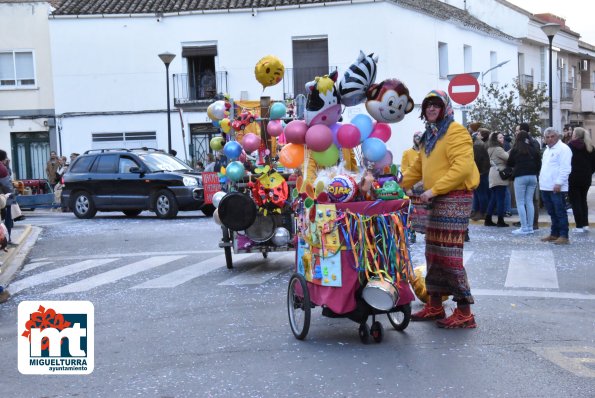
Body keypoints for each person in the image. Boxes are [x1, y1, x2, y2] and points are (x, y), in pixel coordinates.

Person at [401, 89, 479, 329]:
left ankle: (464, 312)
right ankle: (435, 304)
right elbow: (416, 170)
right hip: (436, 199)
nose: (431, 109)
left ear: (445, 108)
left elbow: (462, 169)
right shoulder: (429, 136)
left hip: (454, 198)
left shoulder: (456, 132)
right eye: (427, 106)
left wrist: (433, 191)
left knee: (449, 255)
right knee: (433, 253)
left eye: (436, 105)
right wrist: (394, 187)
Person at [539, 127, 573, 245]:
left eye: (552, 136)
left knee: (560, 211)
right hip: (546, 186)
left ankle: (564, 235)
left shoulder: (563, 149)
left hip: (556, 187)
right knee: (552, 212)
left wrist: (559, 183)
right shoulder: (547, 150)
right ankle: (554, 234)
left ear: (557, 136)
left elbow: (565, 168)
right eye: (547, 137)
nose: (550, 139)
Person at [507, 130, 541, 234]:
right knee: (529, 201)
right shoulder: (533, 149)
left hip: (520, 176)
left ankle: (524, 227)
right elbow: (539, 162)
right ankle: (530, 227)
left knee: (520, 203)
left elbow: (510, 162)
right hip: (533, 176)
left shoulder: (515, 149)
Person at [567, 127, 595, 233]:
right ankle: (585, 224)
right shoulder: (590, 147)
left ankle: (579, 225)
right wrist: (589, 172)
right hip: (586, 178)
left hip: (573, 177)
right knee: (583, 200)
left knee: (575, 202)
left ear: (576, 135)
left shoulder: (570, 146)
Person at [485, 132, 509, 227]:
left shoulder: (489, 149)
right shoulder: (498, 149)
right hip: (499, 174)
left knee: (494, 198)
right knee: (500, 199)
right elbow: (508, 157)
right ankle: (500, 220)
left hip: (492, 173)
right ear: (496, 139)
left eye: (502, 137)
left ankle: (488, 219)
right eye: (500, 137)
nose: (502, 139)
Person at [471, 128, 491, 221]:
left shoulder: (477, 146)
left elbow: (476, 161)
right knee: (478, 193)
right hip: (481, 172)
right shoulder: (479, 145)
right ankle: (477, 211)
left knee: (481, 194)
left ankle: (482, 212)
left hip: (480, 173)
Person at [0, 149, 15, 244]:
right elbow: (6, 184)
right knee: (7, 217)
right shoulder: (2, 168)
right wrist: (11, 195)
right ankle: (6, 239)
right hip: (2, 196)